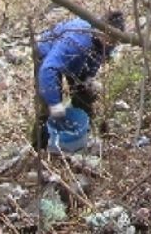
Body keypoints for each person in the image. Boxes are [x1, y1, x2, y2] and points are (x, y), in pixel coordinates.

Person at [33, 9, 125, 150]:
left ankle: (81, 136)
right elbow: (48, 69)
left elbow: (99, 58)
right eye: (109, 39)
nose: (111, 44)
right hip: (47, 55)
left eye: (114, 41)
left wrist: (89, 77)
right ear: (100, 31)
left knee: (84, 96)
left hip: (78, 62)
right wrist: (55, 104)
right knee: (47, 106)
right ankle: (39, 148)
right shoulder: (75, 40)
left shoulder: (108, 44)